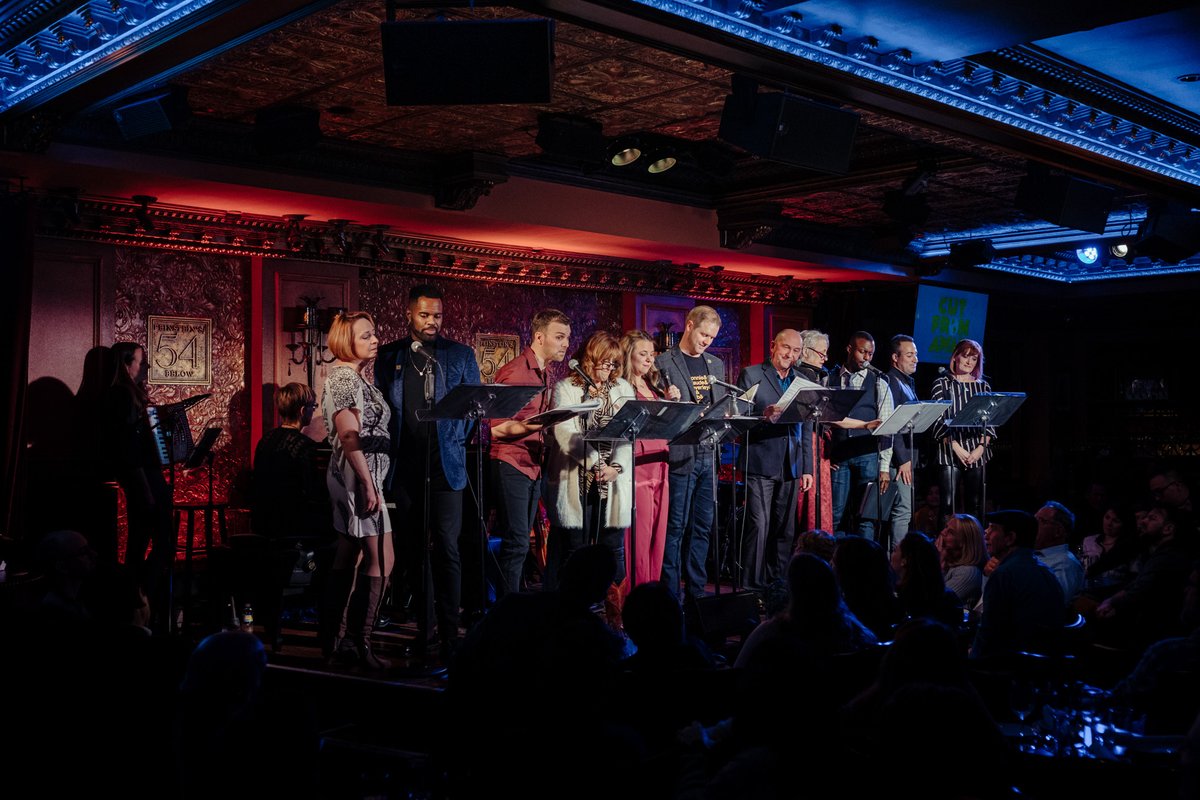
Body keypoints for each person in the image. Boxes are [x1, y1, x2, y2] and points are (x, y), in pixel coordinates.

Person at [375, 284, 480, 660]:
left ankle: (451, 634)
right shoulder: (390, 355)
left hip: (447, 468)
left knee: (448, 549)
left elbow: (474, 407)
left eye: (437, 315)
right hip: (405, 469)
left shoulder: (460, 354)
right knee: (414, 551)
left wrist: (454, 440)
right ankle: (426, 629)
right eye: (424, 315)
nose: (432, 321)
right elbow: (385, 407)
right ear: (409, 314)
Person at [318, 311, 394, 669]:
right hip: (358, 477)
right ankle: (356, 642)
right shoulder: (343, 378)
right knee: (383, 558)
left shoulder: (356, 378)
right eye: (365, 336)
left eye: (374, 333)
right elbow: (349, 436)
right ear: (346, 341)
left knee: (350, 555)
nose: (375, 340)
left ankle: (337, 642)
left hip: (364, 476)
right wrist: (368, 484)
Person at [545, 331, 634, 625]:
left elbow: (628, 435)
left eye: (613, 364)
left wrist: (616, 467)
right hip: (577, 480)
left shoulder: (622, 389)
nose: (608, 368)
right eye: (604, 362)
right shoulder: (567, 388)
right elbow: (565, 432)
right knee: (575, 550)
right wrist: (595, 462)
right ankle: (570, 619)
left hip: (612, 482)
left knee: (614, 550)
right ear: (589, 358)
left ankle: (615, 621)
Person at [489, 309, 572, 597]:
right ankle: (507, 611)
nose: (565, 344)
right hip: (511, 462)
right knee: (516, 543)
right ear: (539, 337)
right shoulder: (516, 372)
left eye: (567, 338)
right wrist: (540, 423)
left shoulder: (544, 371)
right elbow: (496, 428)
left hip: (533, 463)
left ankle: (512, 605)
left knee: (521, 543)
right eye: (559, 337)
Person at [655, 305, 729, 601]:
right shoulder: (663, 361)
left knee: (702, 526)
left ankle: (697, 592)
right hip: (682, 452)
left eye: (711, 337)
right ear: (689, 325)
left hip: (709, 452)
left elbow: (721, 405)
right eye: (703, 334)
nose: (706, 341)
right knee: (676, 526)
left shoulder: (716, 364)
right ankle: (671, 593)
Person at [101, 341, 173, 628]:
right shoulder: (122, 395)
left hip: (141, 477)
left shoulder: (123, 394)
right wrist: (145, 487)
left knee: (139, 541)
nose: (146, 367)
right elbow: (129, 450)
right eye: (141, 362)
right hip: (145, 478)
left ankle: (135, 605)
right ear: (126, 364)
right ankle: (140, 598)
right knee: (162, 541)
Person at [736, 328, 812, 595]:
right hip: (760, 459)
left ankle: (777, 584)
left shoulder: (803, 380)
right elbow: (739, 419)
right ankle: (751, 587)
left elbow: (806, 428)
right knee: (758, 525)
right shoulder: (751, 374)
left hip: (791, 464)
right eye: (785, 348)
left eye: (796, 351)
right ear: (773, 346)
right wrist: (763, 418)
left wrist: (807, 468)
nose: (790, 355)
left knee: (785, 528)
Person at [619, 330, 681, 588]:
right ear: (628, 355)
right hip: (639, 463)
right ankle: (636, 594)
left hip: (660, 460)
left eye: (652, 355)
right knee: (640, 534)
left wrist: (672, 404)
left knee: (659, 533)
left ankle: (653, 593)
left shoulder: (654, 387)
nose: (649, 360)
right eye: (642, 354)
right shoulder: (623, 387)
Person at [970, 509, 1064, 660]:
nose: (985, 534)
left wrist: (971, 661)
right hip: (1044, 663)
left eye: (993, 529)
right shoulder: (1046, 572)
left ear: (1010, 538)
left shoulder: (1004, 574)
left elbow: (989, 632)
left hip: (1012, 664)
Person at [828, 331, 893, 541]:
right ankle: (835, 556)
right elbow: (823, 422)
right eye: (862, 352)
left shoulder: (879, 382)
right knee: (835, 515)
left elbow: (887, 427)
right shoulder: (829, 378)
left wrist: (884, 467)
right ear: (849, 349)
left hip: (868, 455)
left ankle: (864, 557)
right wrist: (825, 456)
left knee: (866, 516)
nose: (866, 358)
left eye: (870, 354)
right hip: (840, 456)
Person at [930, 339, 994, 526]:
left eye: (974, 359)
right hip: (950, 452)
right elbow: (937, 419)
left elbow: (990, 420)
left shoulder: (983, 386)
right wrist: (956, 447)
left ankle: (974, 541)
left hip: (976, 452)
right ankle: (944, 541)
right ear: (955, 357)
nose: (969, 362)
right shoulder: (942, 384)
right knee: (947, 505)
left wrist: (980, 448)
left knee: (975, 504)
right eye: (966, 356)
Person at [251, 382, 325, 541]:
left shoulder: (265, 439)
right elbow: (311, 491)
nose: (313, 411)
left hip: (261, 521)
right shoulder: (305, 446)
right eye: (313, 406)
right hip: (291, 524)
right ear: (303, 411)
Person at [794, 329, 833, 532]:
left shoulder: (817, 375)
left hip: (816, 442)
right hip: (809, 443)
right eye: (821, 353)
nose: (825, 358)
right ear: (805, 351)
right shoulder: (805, 375)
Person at [884, 334, 919, 546]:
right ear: (895, 357)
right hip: (899, 460)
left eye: (916, 354)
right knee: (902, 510)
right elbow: (892, 423)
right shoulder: (892, 381)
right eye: (909, 355)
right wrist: (903, 459)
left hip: (908, 456)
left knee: (904, 509)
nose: (915, 359)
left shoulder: (906, 381)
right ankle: (899, 558)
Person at [891, 532, 962, 628]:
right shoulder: (948, 597)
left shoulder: (905, 605)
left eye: (895, 550)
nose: (891, 556)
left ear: (905, 560)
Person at [1033, 501, 1085, 605]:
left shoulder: (1065, 564)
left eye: (1041, 520)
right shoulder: (1028, 554)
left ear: (1058, 531)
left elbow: (1052, 604)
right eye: (1034, 519)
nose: (1033, 524)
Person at [936, 514, 987, 607]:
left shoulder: (968, 572)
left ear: (964, 542)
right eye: (946, 527)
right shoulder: (949, 563)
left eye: (950, 532)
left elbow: (935, 602)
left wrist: (938, 563)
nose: (942, 532)